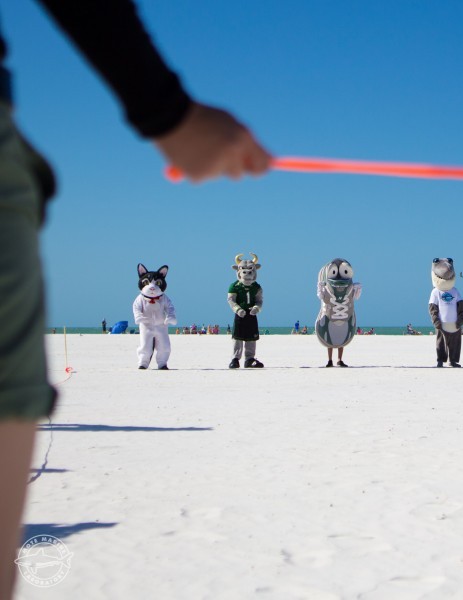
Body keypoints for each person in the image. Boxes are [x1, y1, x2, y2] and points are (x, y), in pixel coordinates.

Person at [0, 3, 270, 598]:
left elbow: (160, 312)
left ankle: (159, 359)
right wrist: (166, 112)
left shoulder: (164, 295)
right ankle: (155, 358)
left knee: (160, 341)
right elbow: (144, 310)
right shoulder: (149, 293)